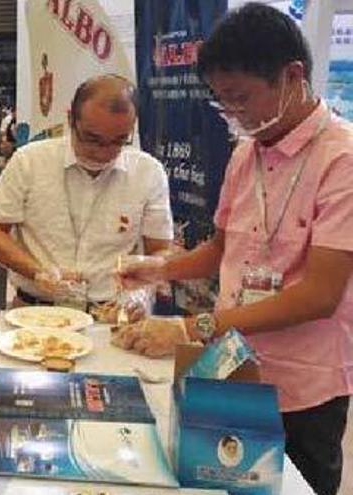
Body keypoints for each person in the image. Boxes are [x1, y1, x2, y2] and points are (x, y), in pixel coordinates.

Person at [119, 5, 353, 494]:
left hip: (303, 387)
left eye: (242, 99)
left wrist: (191, 327)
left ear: (294, 76)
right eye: (224, 103)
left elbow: (320, 295)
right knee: (225, 482)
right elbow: (222, 249)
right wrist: (158, 269)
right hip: (232, 361)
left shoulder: (342, 161)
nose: (236, 115)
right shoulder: (247, 151)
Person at [0, 74, 173, 310]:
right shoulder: (30, 161)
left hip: (113, 312)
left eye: (119, 141)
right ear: (71, 118)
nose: (103, 152)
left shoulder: (148, 172)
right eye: (92, 139)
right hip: (37, 312)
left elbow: (160, 249)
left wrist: (144, 290)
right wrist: (38, 272)